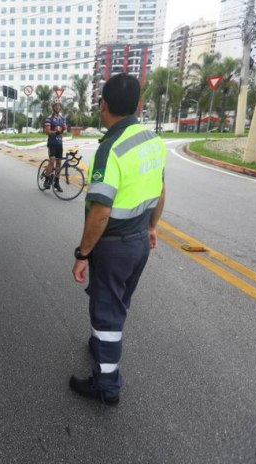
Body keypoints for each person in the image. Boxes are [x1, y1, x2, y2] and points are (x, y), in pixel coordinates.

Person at [69, 73, 166, 405]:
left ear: (103, 106)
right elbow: (160, 190)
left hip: (114, 247)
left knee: (107, 314)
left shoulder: (110, 150)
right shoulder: (153, 140)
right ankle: (101, 345)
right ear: (139, 106)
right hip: (140, 242)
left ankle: (107, 385)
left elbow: (100, 212)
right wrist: (152, 227)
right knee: (117, 303)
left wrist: (82, 254)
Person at [42, 101, 67, 192]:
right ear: (53, 107)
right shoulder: (49, 118)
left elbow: (65, 131)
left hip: (59, 144)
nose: (57, 107)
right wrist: (55, 132)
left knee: (59, 164)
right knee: (52, 161)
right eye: (56, 106)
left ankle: (56, 182)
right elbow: (47, 132)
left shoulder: (62, 118)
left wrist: (62, 132)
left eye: (59, 106)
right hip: (52, 143)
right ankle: (46, 180)